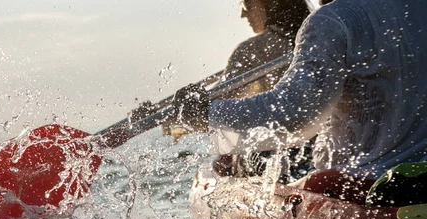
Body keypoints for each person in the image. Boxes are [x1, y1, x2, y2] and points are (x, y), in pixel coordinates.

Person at [172, 0, 427, 205]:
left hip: (364, 192)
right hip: (418, 182)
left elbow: (293, 117)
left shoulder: (335, 19)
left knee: (310, 182)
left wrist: (205, 113)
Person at [165, 0, 313, 181]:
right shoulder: (321, 43)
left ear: (268, 4)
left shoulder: (252, 50)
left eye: (247, 4)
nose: (243, 14)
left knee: (231, 160)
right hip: (315, 154)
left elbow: (206, 110)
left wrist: (170, 118)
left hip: (274, 161)